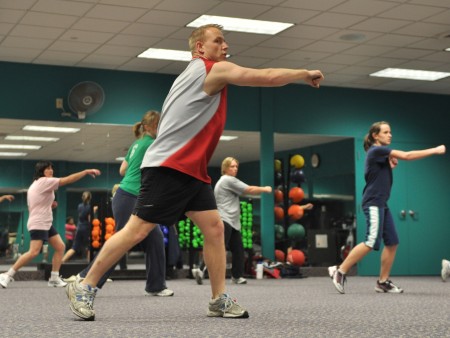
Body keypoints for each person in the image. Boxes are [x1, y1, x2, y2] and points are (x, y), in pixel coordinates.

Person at [66, 23, 323, 321]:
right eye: (218, 41)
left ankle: (218, 300)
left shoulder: (192, 74)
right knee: (137, 230)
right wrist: (302, 74)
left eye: (226, 42)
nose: (225, 47)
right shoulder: (209, 70)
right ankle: (84, 286)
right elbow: (263, 76)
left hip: (192, 171)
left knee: (214, 229)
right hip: (168, 167)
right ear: (200, 47)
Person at [328, 121, 446, 294]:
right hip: (373, 202)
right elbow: (407, 155)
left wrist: (389, 165)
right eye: (386, 132)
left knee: (392, 242)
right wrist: (435, 150)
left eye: (390, 132)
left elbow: (379, 171)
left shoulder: (378, 154)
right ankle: (340, 271)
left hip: (382, 203)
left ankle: (383, 282)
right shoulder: (377, 150)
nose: (390, 135)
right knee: (371, 241)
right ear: (376, 135)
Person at [73, 111, 173, 296]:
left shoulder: (137, 144)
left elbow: (122, 170)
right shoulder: (152, 144)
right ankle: (86, 278)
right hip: (130, 196)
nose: (163, 128)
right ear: (149, 127)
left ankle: (156, 285)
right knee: (122, 241)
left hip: (130, 195)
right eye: (160, 124)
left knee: (156, 238)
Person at [0, 161, 100, 288]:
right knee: (34, 252)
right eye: (47, 169)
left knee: (60, 246)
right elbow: (67, 180)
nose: (51, 170)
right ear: (41, 171)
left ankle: (54, 277)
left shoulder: (36, 184)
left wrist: (50, 205)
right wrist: (85, 172)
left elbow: (34, 203)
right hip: (39, 222)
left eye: (52, 168)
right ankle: (7, 274)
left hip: (45, 222)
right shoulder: (44, 181)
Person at [192, 157, 272, 285]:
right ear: (225, 168)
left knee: (238, 249)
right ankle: (201, 269)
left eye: (236, 167)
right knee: (218, 249)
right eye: (232, 166)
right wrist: (265, 189)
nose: (235, 169)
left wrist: (258, 193)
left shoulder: (224, 182)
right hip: (225, 220)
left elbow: (246, 193)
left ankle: (236, 276)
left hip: (232, 222)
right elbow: (249, 189)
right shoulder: (228, 180)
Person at [62, 191, 94, 263]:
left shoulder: (79, 206)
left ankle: (62, 261)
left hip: (79, 228)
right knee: (89, 247)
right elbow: (89, 219)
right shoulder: (90, 207)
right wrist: (93, 211)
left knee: (74, 247)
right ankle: (89, 264)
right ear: (90, 198)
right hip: (86, 228)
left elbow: (82, 214)